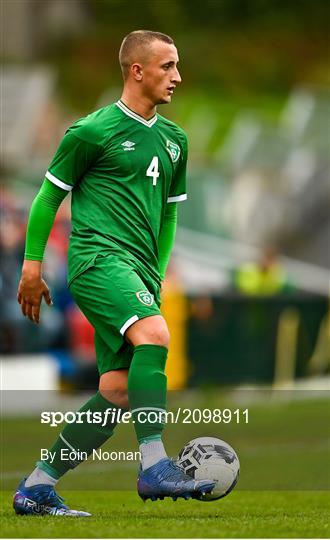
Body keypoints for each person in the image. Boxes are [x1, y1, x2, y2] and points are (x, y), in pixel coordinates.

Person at [14, 30, 214, 516]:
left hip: (138, 272)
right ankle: (154, 466)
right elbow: (47, 196)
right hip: (97, 260)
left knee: (117, 392)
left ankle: (37, 488)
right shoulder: (90, 131)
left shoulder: (175, 140)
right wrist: (32, 265)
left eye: (178, 65)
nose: (177, 77)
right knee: (156, 335)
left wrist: (156, 274)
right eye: (167, 66)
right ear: (136, 70)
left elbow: (167, 216)